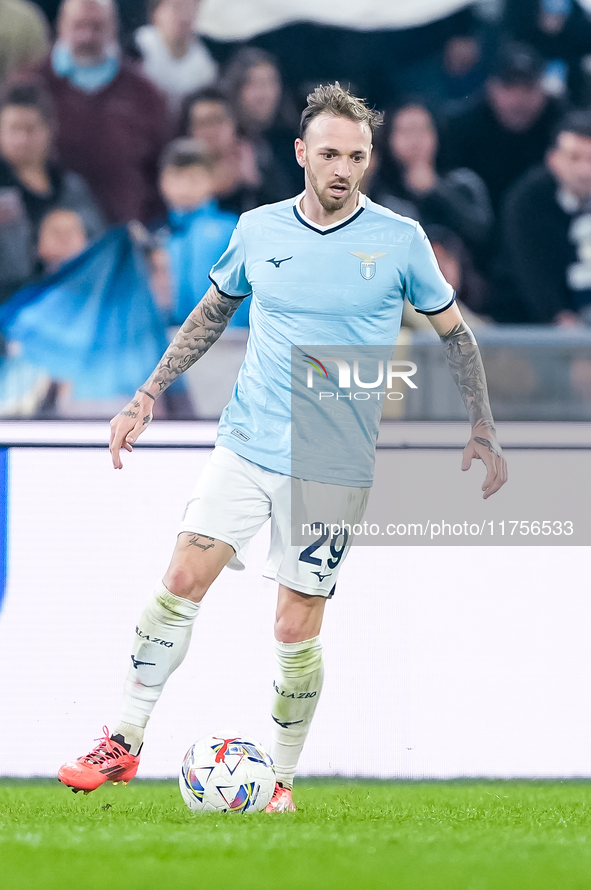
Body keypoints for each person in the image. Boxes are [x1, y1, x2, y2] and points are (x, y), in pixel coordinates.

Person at [57, 83, 507, 811]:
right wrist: (145, 395)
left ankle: (282, 781)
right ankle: (125, 740)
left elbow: (453, 333)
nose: (342, 168)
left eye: (355, 156)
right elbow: (210, 314)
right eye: (329, 153)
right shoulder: (258, 230)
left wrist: (481, 424)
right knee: (179, 578)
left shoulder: (399, 240)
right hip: (246, 441)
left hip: (332, 464)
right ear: (300, 152)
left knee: (294, 627)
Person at [30, 0, 170, 224]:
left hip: (126, 238)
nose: (87, 36)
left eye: (96, 26)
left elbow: (160, 173)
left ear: (113, 27)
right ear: (61, 26)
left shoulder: (146, 95)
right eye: (79, 26)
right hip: (52, 240)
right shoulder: (33, 88)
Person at [0, 81, 104, 300]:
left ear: (49, 129)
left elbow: (99, 247)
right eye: (13, 129)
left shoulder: (72, 189)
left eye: (30, 129)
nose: (22, 139)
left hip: (70, 302)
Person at [491, 110, 591, 324]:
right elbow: (534, 280)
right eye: (574, 158)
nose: (585, 171)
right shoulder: (526, 202)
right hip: (534, 329)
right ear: (553, 159)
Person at [444, 41, 564, 213]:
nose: (518, 100)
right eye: (509, 88)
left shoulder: (563, 127)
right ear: (490, 87)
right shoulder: (459, 129)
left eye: (528, 88)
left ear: (544, 89)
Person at [370, 102, 492, 254]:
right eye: (406, 131)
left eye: (423, 129)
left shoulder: (464, 183)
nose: (415, 139)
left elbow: (483, 235)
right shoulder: (377, 192)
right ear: (388, 139)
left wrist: (437, 190)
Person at [180, 87, 286, 215]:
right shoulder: (177, 170)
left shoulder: (260, 162)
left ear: (233, 124)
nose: (210, 131)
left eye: (217, 120)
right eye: (202, 123)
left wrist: (254, 183)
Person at [133, 0, 217, 107]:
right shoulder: (136, 48)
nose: (183, 15)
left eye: (190, 8)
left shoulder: (205, 65)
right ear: (155, 12)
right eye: (176, 6)